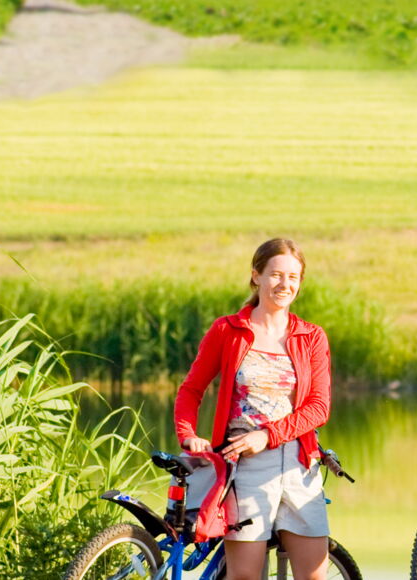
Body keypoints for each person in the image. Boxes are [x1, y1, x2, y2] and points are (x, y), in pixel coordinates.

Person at [174, 238, 334, 580]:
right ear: (256, 277)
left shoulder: (311, 337)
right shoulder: (228, 331)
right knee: (245, 576)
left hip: (298, 464)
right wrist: (188, 435)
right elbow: (191, 390)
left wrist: (269, 435)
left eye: (293, 277)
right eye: (276, 275)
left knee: (315, 576)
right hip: (244, 466)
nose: (285, 284)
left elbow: (319, 408)